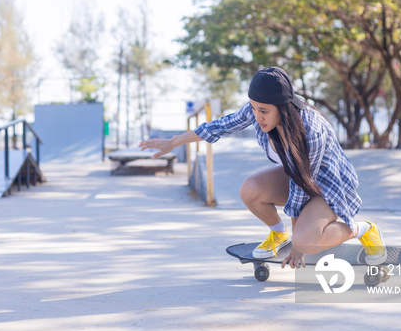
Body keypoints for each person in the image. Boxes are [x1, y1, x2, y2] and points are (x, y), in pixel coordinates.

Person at [138, 67, 386, 269]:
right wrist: (174, 141)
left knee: (307, 242)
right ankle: (279, 234)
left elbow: (302, 185)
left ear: (283, 107)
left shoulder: (312, 130)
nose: (257, 116)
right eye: (254, 108)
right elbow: (221, 125)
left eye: (264, 111)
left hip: (330, 187)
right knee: (251, 189)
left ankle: (364, 229)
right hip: (297, 178)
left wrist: (299, 244)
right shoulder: (257, 109)